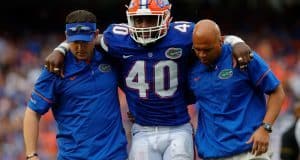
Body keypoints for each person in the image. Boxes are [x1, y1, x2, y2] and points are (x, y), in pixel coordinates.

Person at [44, 1, 253, 160]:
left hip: (178, 127)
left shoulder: (184, 34)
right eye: (139, 19)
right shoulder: (118, 39)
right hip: (142, 129)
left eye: (151, 19)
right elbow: (85, 39)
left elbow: (217, 39)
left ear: (167, 17)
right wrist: (60, 49)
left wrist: (237, 42)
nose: (144, 25)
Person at [23, 10, 127, 160]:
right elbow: (32, 112)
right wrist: (31, 155)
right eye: (75, 42)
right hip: (73, 157)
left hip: (114, 155)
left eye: (84, 41)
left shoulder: (110, 57)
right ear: (66, 37)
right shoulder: (55, 68)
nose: (79, 47)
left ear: (96, 35)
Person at [189, 19, 285, 160]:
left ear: (221, 42)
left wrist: (265, 128)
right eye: (198, 49)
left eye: (207, 50)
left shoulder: (243, 57)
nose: (202, 54)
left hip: (251, 152)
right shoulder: (192, 68)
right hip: (213, 154)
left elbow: (277, 92)